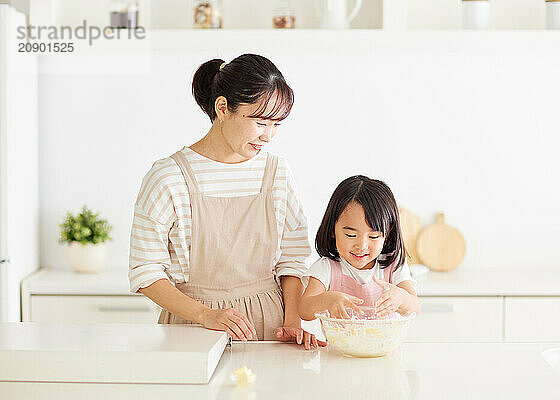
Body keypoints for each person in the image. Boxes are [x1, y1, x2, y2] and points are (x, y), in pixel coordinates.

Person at [129, 54, 325, 349]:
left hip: (269, 327)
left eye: (276, 125)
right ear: (223, 108)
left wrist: (293, 322)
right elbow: (145, 272)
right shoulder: (168, 177)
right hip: (192, 329)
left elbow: (292, 260)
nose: (269, 136)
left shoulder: (277, 174)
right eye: (261, 122)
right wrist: (205, 314)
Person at [298, 175, 421, 320]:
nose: (361, 246)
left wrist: (401, 298)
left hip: (386, 343)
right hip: (340, 343)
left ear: (387, 234)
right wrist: (327, 300)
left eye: (373, 236)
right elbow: (304, 310)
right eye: (350, 235)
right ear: (332, 229)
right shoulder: (327, 268)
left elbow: (415, 307)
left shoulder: (392, 265)